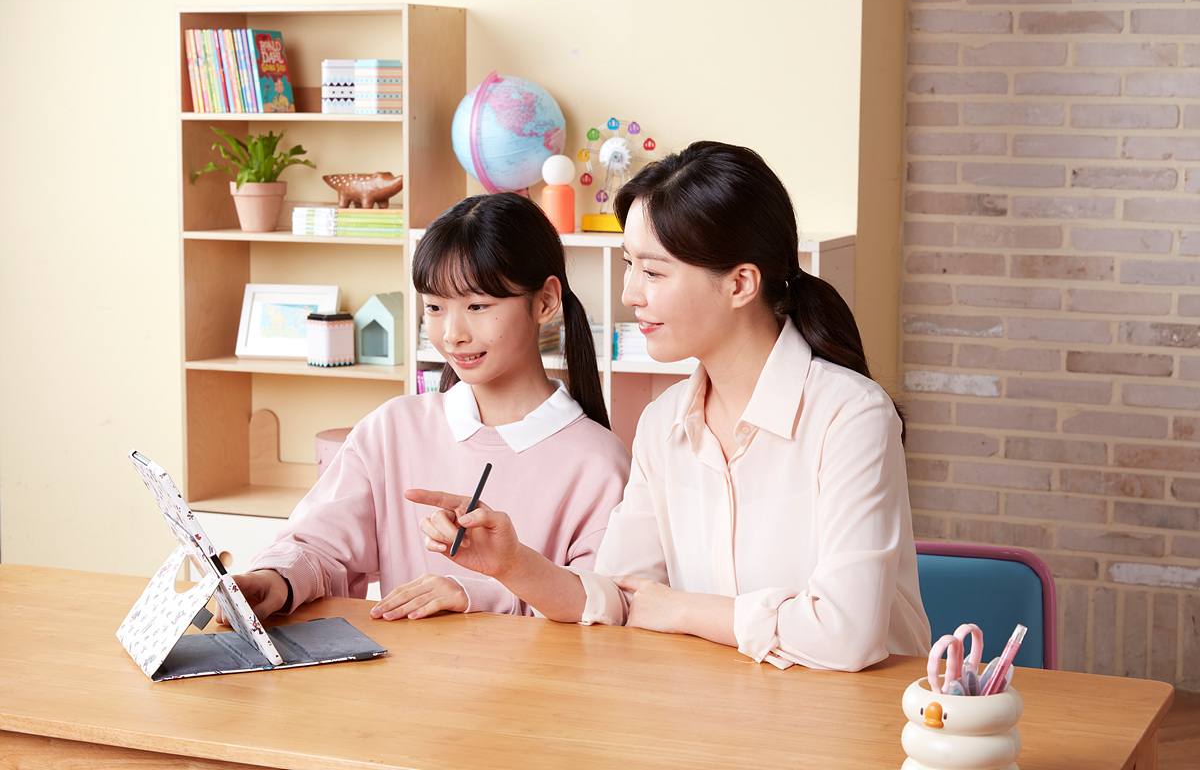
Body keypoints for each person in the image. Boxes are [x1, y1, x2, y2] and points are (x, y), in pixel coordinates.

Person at [413, 141, 931, 671]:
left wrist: (680, 609)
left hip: (853, 723)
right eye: (629, 265)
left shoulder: (851, 416)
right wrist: (512, 564)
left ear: (740, 283)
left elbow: (845, 634)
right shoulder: (664, 424)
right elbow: (618, 596)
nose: (630, 294)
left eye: (654, 273)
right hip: (714, 716)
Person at [221, 192, 630, 624]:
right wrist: (275, 580)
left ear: (546, 301)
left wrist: (472, 594)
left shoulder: (600, 463)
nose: (452, 334)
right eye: (434, 307)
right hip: (404, 685)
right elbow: (317, 548)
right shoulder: (391, 429)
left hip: (537, 690)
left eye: (477, 306)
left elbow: (601, 610)